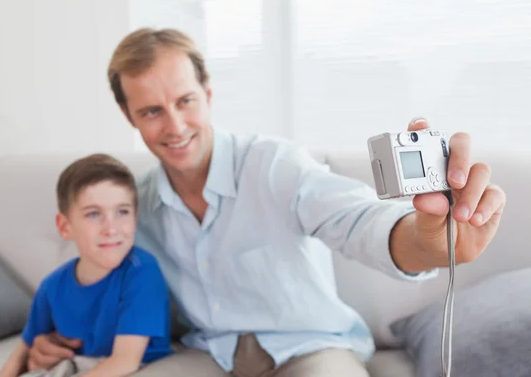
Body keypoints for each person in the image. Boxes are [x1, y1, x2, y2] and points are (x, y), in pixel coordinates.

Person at [26, 28, 506, 376]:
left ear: (208, 94)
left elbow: (360, 222)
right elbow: (107, 285)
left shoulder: (275, 166)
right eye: (151, 111)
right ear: (129, 116)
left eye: (186, 101)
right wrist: (55, 337)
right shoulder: (136, 206)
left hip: (310, 349)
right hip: (210, 354)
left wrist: (432, 240)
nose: (174, 126)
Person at [0, 153, 172, 377]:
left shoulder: (141, 271)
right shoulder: (52, 286)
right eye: (93, 214)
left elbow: (125, 362)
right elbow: (25, 347)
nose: (111, 228)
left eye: (122, 212)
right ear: (65, 226)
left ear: (135, 217)